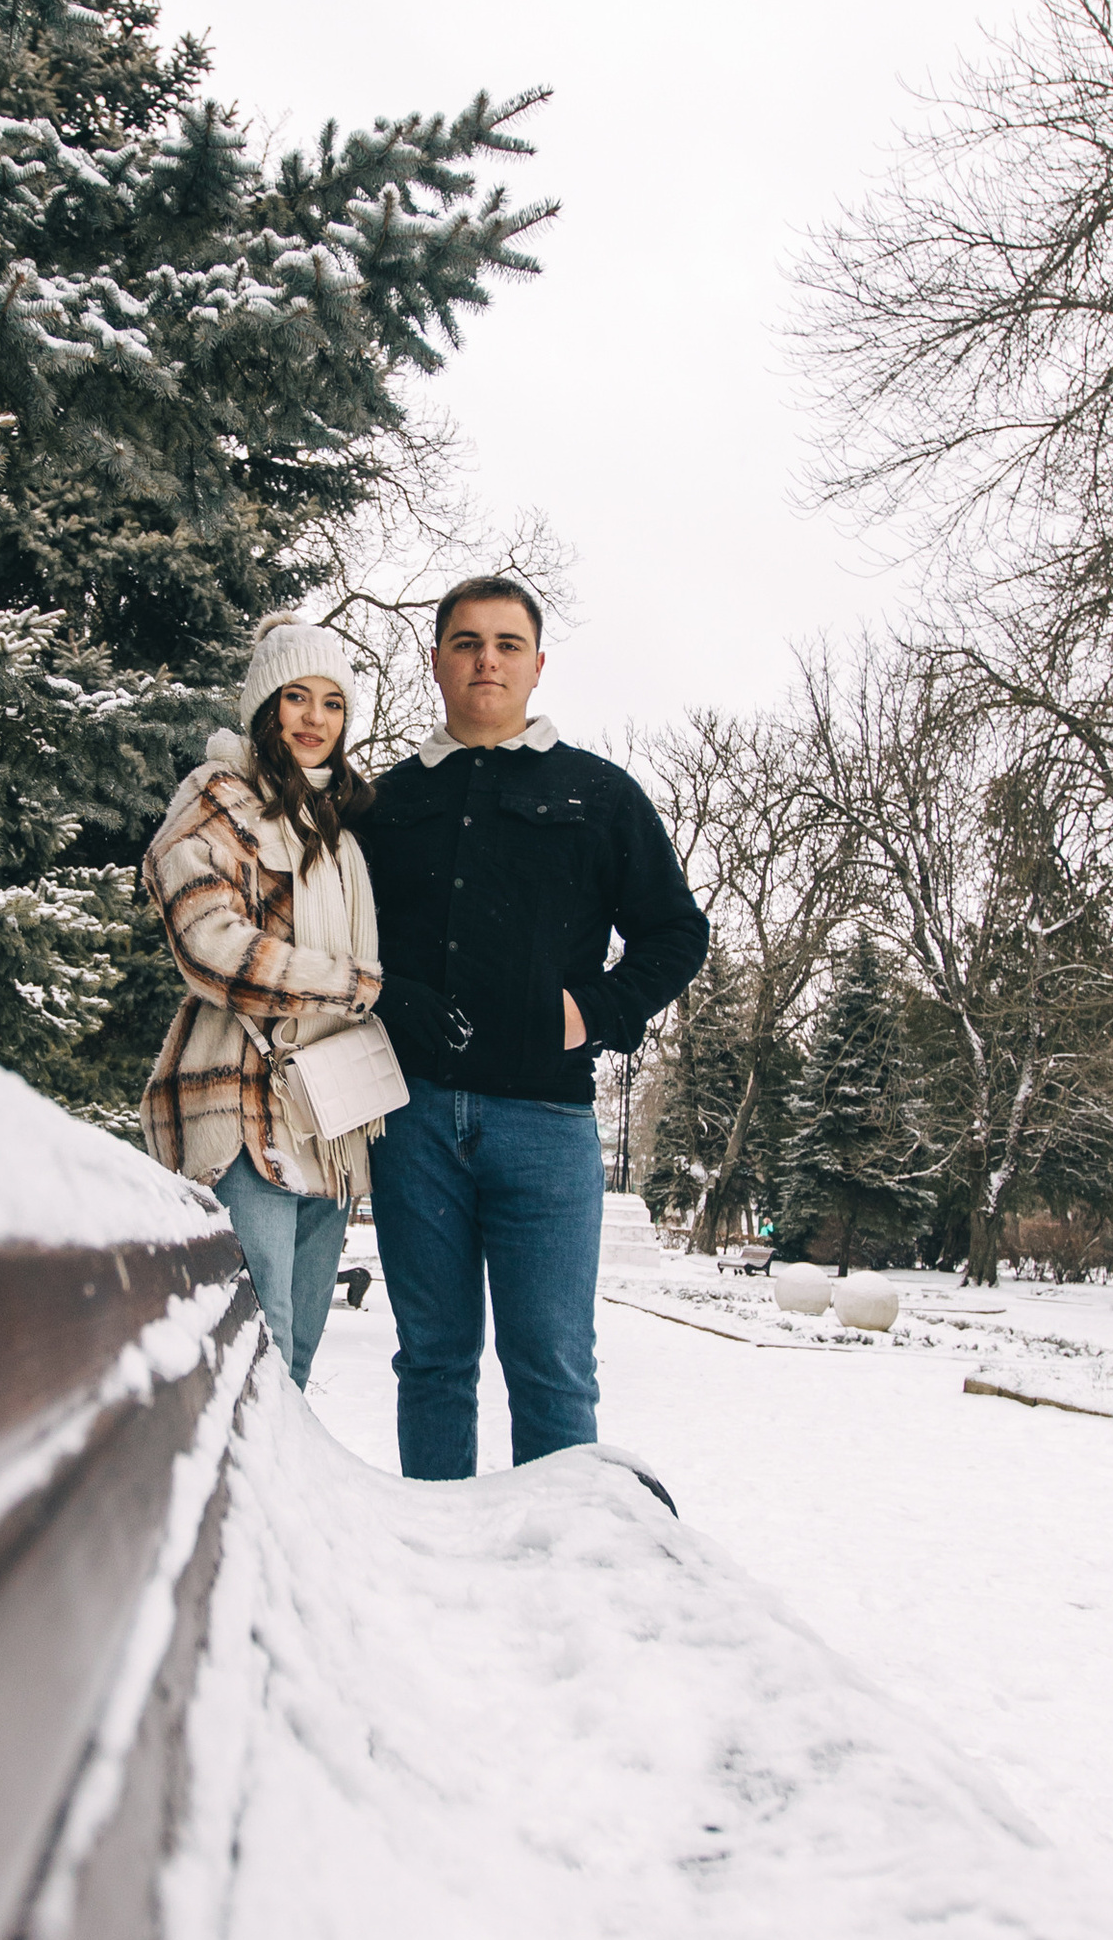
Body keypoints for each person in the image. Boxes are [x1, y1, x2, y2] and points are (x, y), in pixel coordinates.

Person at [365, 576, 709, 1476]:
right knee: (433, 1362)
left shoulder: (598, 794)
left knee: (553, 1370)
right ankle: (440, 1563)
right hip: (412, 1121)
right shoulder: (387, 805)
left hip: (546, 1128)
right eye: (467, 642)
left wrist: (589, 1010)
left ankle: (554, 1579)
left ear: (538, 664)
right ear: (436, 660)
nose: (487, 659)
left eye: (507, 643)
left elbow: (677, 932)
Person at [141, 614, 387, 1386]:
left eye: (333, 703)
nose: (315, 719)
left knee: (299, 1355)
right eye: (297, 697)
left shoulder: (338, 830)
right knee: (259, 1351)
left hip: (326, 1117)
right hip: (241, 1102)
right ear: (264, 705)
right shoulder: (218, 801)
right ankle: (242, 1508)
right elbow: (210, 945)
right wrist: (349, 984)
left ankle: (285, 1505)